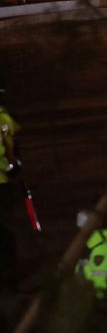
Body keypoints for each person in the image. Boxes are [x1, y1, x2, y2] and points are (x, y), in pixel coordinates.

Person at [0, 85, 21, 293]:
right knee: (5, 230)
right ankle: (9, 276)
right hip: (2, 182)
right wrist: (15, 167)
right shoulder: (4, 120)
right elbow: (11, 150)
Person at [73, 211, 107, 302]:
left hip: (100, 305)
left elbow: (101, 281)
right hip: (98, 301)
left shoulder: (101, 250)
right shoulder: (98, 246)